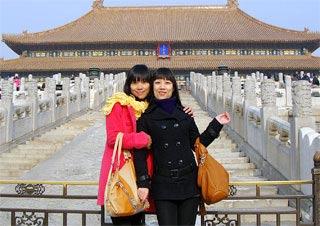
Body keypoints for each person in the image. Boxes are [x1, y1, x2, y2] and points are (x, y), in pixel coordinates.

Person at [97, 64, 193, 225]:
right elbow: (112, 138)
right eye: (135, 83)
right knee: (125, 216)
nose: (139, 87)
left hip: (147, 173)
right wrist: (142, 139)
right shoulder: (118, 104)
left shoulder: (152, 108)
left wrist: (184, 113)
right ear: (129, 85)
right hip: (124, 171)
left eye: (144, 82)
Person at [134, 67, 231, 226]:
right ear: (152, 87)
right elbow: (140, 155)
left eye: (167, 83)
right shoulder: (146, 118)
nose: (162, 87)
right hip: (163, 184)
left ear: (173, 87)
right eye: (158, 82)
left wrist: (216, 124)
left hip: (188, 183)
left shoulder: (184, 114)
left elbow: (198, 145)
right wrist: (143, 184)